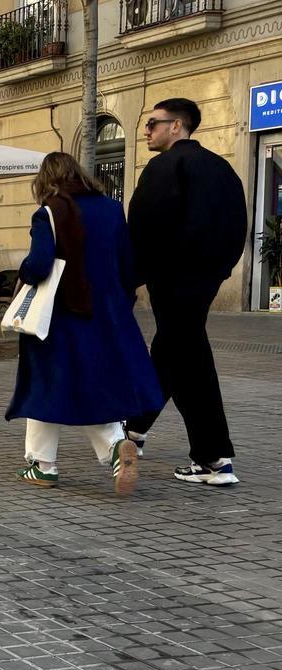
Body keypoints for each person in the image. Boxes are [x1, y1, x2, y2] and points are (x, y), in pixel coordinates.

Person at [6, 152, 164, 495]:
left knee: (45, 385)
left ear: (46, 178)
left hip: (60, 317)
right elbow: (128, 265)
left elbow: (39, 265)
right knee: (93, 382)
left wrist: (22, 274)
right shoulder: (111, 209)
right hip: (106, 315)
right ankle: (115, 447)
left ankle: (43, 465)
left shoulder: (49, 212)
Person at [124, 98, 248, 486]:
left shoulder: (164, 167)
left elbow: (143, 227)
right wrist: (219, 271)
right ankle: (134, 430)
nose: (146, 131)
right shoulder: (223, 169)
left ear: (176, 126)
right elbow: (238, 226)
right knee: (173, 351)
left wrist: (131, 279)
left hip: (172, 278)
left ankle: (214, 460)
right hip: (205, 279)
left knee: (189, 361)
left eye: (152, 124)